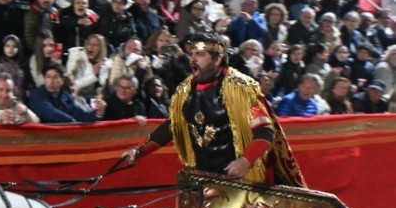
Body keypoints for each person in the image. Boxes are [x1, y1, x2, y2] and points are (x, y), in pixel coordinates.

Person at [121, 32, 306, 187]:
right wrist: (138, 151)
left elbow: (265, 132)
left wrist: (244, 162)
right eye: (192, 53)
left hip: (240, 182)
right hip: (203, 182)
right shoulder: (185, 90)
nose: (192, 58)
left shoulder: (240, 87)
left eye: (200, 54)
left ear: (217, 59)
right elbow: (172, 127)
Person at [29, 63, 104, 123]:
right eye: (48, 77)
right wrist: (72, 122)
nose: (51, 81)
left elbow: (78, 113)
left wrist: (97, 114)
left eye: (55, 77)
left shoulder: (65, 95)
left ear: (62, 80)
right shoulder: (38, 94)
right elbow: (50, 113)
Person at [0, 34, 26, 99]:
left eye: (14, 46)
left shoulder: (22, 64)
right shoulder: (0, 64)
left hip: (20, 97)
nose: (11, 49)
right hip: (3, 97)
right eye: (7, 46)